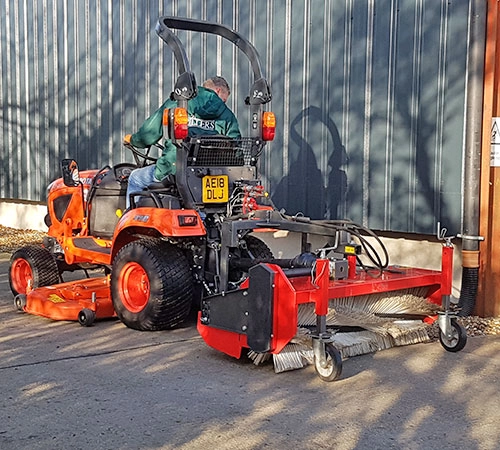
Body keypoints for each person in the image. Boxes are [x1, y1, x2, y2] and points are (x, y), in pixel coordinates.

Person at [124, 76, 241, 208]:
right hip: (212, 174)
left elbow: (148, 134)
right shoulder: (227, 115)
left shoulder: (177, 102)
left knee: (135, 178)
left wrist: (134, 140)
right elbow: (235, 148)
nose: (222, 104)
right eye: (224, 100)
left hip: (175, 168)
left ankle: (129, 220)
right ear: (218, 91)